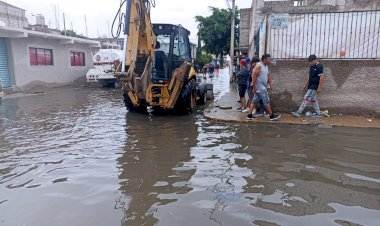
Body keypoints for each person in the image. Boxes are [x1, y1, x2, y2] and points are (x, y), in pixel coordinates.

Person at [246, 54, 281, 121]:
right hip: (260, 88)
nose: (270, 60)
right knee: (266, 101)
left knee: (254, 101)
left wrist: (270, 85)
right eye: (269, 59)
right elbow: (253, 76)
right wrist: (254, 87)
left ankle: (249, 115)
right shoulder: (259, 65)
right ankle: (271, 116)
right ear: (265, 59)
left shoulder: (266, 66)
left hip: (263, 87)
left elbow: (268, 76)